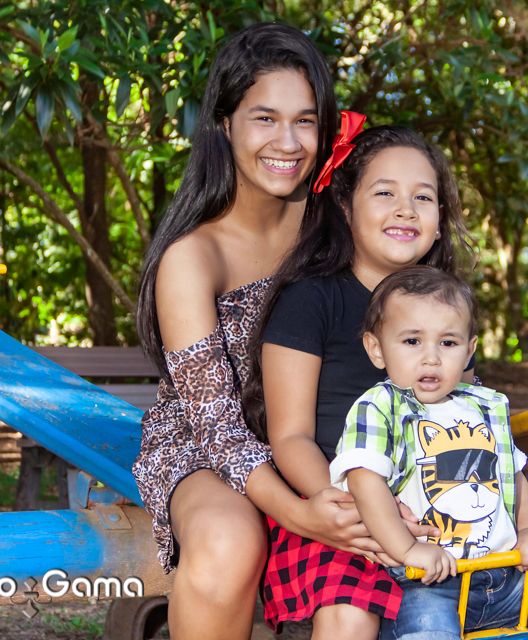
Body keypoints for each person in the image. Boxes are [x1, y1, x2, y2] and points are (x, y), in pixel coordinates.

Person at [132, 24, 383, 640]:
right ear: (225, 124)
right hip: (206, 446)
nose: (287, 142)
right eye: (265, 118)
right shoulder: (194, 257)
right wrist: (301, 514)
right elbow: (216, 429)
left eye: (305, 121)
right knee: (229, 539)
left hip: (324, 436)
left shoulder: (337, 222)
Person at [244, 122, 475, 639]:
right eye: (385, 193)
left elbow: (467, 416)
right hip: (336, 510)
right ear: (346, 208)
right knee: (349, 615)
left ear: (440, 221)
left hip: (436, 504)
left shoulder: (448, 311)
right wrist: (358, 506)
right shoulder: (310, 301)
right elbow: (291, 437)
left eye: (423, 197)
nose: (406, 209)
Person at [329, 266, 528, 640]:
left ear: (469, 350)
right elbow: (364, 483)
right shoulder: (380, 407)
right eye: (412, 341)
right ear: (376, 348)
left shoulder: (485, 406)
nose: (431, 358)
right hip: (426, 582)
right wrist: (408, 549)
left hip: (506, 574)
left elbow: (512, 474)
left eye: (448, 343)